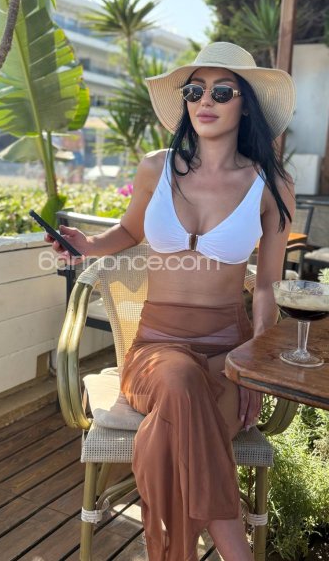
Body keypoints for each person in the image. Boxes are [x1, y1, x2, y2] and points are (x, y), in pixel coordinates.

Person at [45, 42, 296, 561]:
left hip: (229, 353)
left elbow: (267, 287)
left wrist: (252, 366)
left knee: (173, 440)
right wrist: (87, 245)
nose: (205, 101)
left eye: (222, 92)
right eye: (195, 90)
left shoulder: (271, 184)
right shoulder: (155, 168)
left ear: (246, 105)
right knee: (180, 381)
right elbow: (128, 231)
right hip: (155, 351)